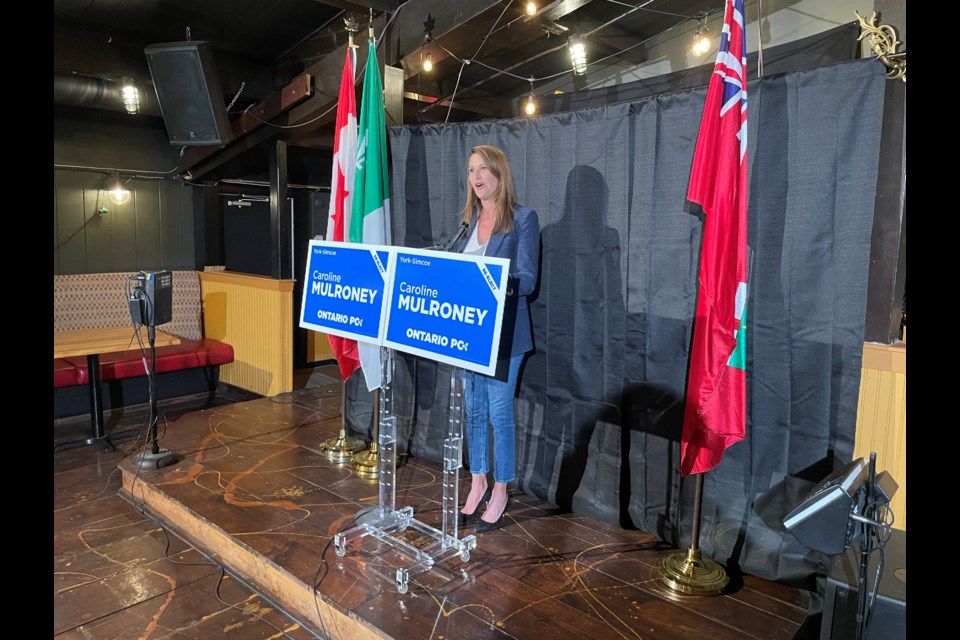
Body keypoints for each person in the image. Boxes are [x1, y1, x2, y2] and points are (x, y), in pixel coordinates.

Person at [453, 145, 541, 532]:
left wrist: (487, 281)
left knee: (498, 414)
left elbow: (528, 279)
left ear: (499, 174)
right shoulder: (467, 222)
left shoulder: (523, 218)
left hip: (505, 336)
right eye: (471, 169)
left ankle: (502, 489)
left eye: (483, 169)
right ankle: (477, 482)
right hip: (469, 333)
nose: (476, 176)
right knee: (472, 412)